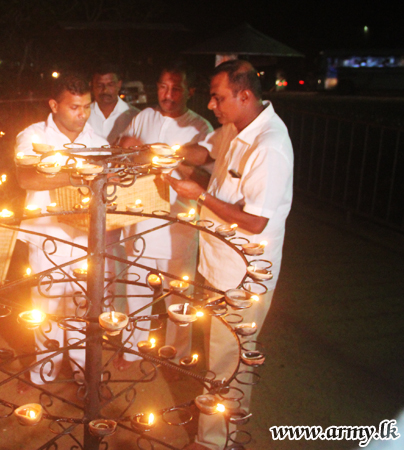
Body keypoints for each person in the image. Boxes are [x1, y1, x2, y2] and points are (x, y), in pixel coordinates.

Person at [170, 60, 293, 450]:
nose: (211, 105)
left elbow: (256, 221)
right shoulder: (235, 128)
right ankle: (216, 427)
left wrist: (200, 195)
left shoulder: (269, 145)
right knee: (219, 354)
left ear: (245, 95)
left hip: (245, 274)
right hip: (220, 264)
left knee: (230, 359)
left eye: (218, 97)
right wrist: (168, 152)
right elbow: (205, 155)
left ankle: (215, 441)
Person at [116, 62, 213, 369]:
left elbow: (207, 177)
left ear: (190, 91)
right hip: (140, 220)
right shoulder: (144, 116)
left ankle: (177, 355)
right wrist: (130, 149)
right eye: (162, 87)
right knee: (136, 289)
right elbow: (123, 153)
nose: (168, 95)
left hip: (177, 226)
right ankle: (132, 349)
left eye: (176, 89)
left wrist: (171, 158)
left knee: (179, 295)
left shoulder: (200, 128)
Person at [15, 73, 108, 385]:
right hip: (47, 236)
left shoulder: (97, 142)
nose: (82, 114)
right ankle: (45, 370)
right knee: (47, 306)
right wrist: (77, 175)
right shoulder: (33, 137)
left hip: (86, 237)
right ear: (54, 105)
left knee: (84, 304)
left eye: (87, 107)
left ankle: (83, 372)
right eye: (74, 107)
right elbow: (27, 177)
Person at [87, 63, 140, 144]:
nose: (105, 90)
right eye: (100, 85)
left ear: (119, 84)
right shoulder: (83, 115)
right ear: (91, 85)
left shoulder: (135, 117)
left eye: (110, 85)